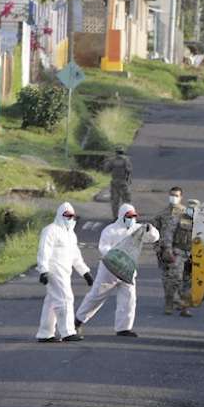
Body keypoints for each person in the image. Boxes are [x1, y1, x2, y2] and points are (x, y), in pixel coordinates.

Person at [75, 203, 160, 337]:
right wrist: (115, 258)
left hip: (128, 270)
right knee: (96, 297)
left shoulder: (137, 229)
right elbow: (103, 248)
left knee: (129, 299)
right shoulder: (111, 230)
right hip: (109, 270)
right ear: (122, 216)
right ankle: (78, 321)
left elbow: (154, 238)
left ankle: (123, 328)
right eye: (128, 216)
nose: (131, 219)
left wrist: (151, 229)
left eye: (133, 216)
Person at [35, 202, 94, 343]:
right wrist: (43, 270)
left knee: (52, 302)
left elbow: (75, 255)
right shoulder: (51, 230)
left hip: (65, 272)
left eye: (72, 216)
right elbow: (44, 251)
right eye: (66, 215)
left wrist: (85, 272)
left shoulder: (70, 234)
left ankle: (45, 333)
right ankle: (68, 332)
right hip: (54, 271)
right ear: (60, 215)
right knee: (65, 299)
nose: (69, 218)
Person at [153, 186, 187, 315]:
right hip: (165, 252)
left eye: (176, 195)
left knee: (180, 278)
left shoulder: (186, 213)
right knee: (167, 278)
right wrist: (157, 249)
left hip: (181, 252)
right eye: (172, 195)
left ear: (181, 197)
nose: (174, 198)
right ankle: (170, 303)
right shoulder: (162, 214)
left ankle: (182, 304)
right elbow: (153, 233)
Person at [170, 199, 200, 317]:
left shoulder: (203, 222)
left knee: (189, 282)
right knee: (177, 278)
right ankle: (176, 300)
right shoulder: (179, 218)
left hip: (194, 256)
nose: (192, 211)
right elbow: (169, 234)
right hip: (180, 252)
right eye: (190, 208)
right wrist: (168, 249)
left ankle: (184, 306)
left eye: (194, 208)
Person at [103, 147, 133, 220]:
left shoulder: (112, 160)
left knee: (115, 201)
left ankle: (115, 217)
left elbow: (106, 170)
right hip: (124, 182)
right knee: (126, 200)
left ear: (116, 152)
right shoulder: (126, 160)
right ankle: (127, 216)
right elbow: (129, 170)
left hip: (115, 182)